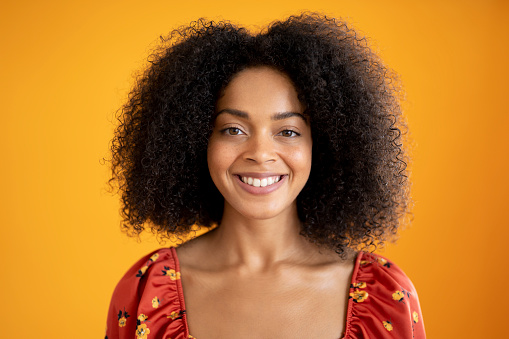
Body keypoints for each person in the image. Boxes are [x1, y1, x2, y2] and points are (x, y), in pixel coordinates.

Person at [105, 13, 425, 339]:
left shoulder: (385, 297)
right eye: (233, 129)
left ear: (324, 144)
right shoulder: (145, 292)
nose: (260, 152)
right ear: (195, 139)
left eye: (287, 131)